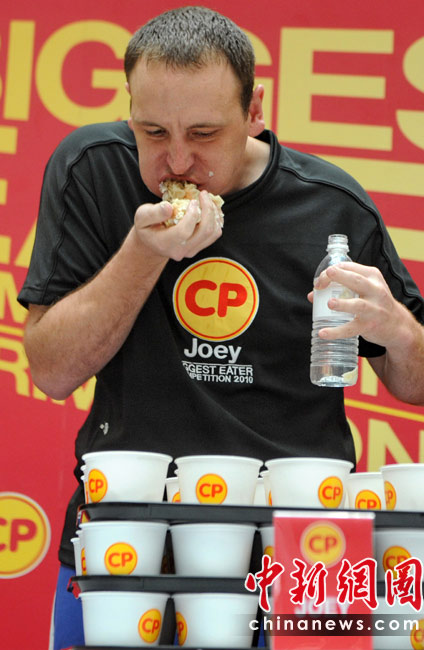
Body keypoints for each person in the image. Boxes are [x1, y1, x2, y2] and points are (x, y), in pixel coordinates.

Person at [18, 6, 424, 649]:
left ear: (254, 111)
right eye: (153, 131)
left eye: (204, 133)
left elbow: (414, 384)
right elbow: (51, 370)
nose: (178, 160)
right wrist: (142, 253)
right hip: (132, 537)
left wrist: (399, 329)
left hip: (307, 550)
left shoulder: (331, 204)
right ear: (129, 111)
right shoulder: (93, 169)